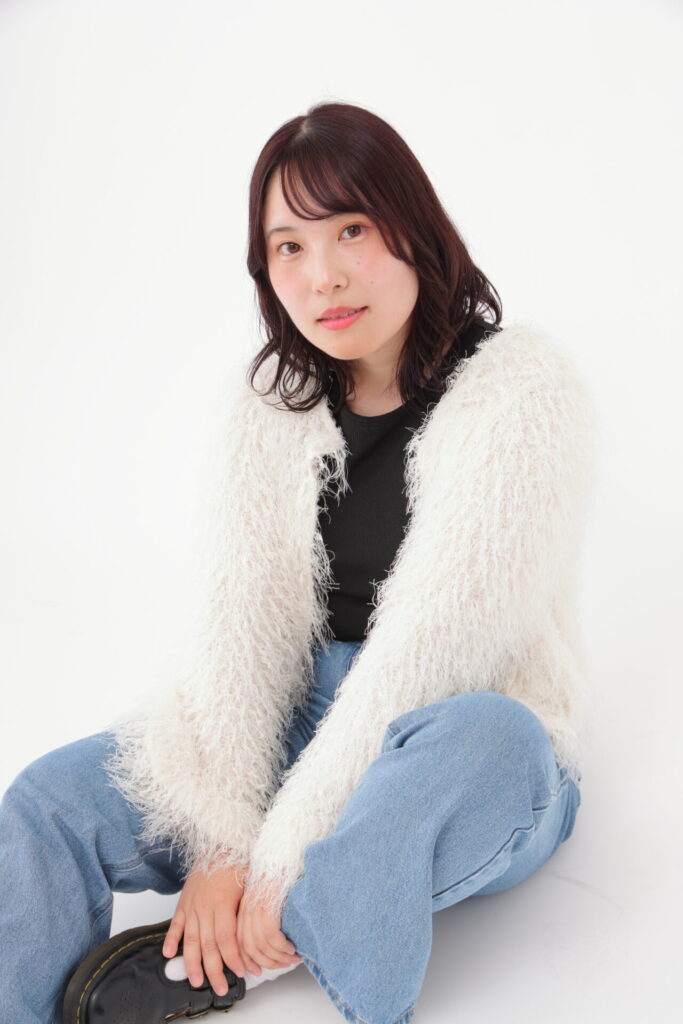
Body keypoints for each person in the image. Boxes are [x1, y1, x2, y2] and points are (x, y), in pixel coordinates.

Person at [0, 101, 597, 1024]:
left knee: (488, 736)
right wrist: (219, 839)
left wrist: (271, 863)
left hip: (446, 740)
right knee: (46, 803)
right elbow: (238, 634)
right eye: (288, 246)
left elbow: (432, 657)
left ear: (413, 225)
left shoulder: (522, 391)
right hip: (297, 720)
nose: (324, 275)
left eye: (351, 229)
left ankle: (251, 953)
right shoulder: (267, 404)